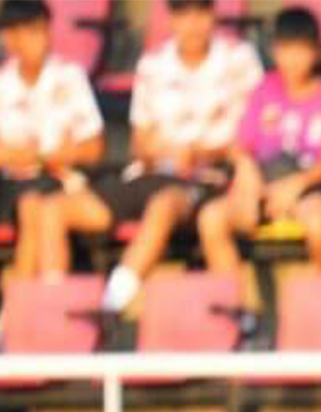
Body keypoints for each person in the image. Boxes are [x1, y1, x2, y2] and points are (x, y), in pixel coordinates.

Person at [35, 0, 262, 311]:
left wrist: (201, 153)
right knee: (53, 209)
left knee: (163, 205)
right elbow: (140, 144)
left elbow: (252, 135)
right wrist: (161, 151)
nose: (193, 24)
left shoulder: (239, 59)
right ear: (171, 19)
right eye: (184, 14)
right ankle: (52, 309)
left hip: (208, 178)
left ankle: (111, 304)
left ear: (212, 15)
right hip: (149, 173)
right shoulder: (153, 64)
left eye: (200, 13)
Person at [196, 6, 321, 275]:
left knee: (319, 225)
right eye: (285, 49)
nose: (293, 59)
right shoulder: (264, 90)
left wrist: (296, 185)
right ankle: (233, 300)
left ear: (317, 52)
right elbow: (240, 145)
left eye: (301, 50)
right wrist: (246, 171)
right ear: (274, 51)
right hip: (263, 185)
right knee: (211, 218)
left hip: (310, 188)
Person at [0, 0, 103, 281]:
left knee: (35, 204)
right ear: (10, 38)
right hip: (7, 186)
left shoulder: (69, 77)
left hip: (52, 183)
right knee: (32, 202)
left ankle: (27, 300)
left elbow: (93, 148)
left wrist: (36, 157)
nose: (43, 40)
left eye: (44, 30)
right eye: (32, 32)